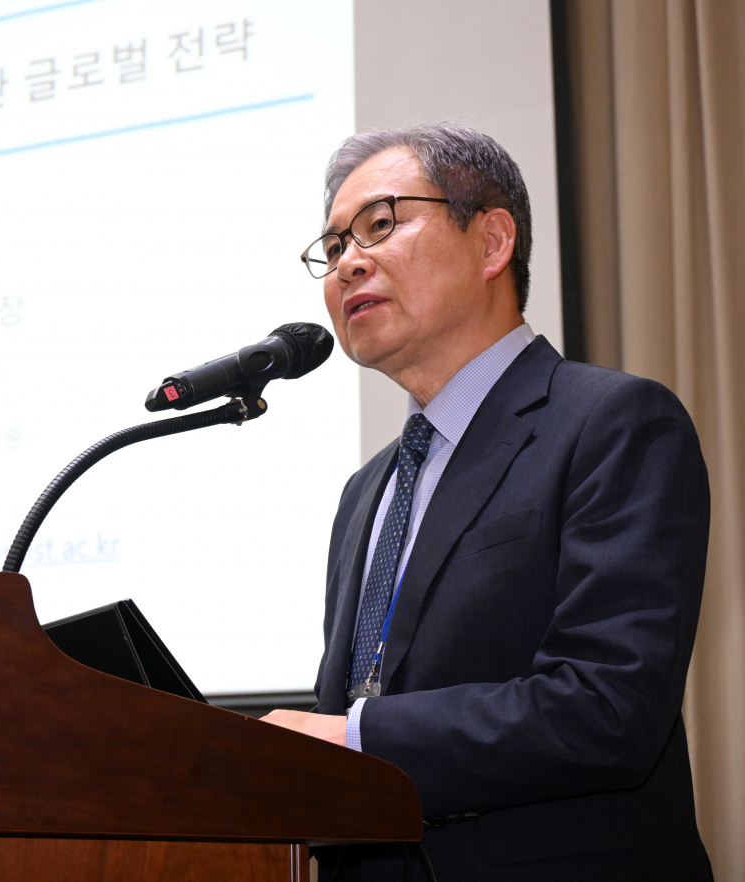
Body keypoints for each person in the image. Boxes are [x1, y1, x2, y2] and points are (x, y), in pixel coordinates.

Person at [261, 123, 713, 881]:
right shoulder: (365, 492)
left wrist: (355, 739)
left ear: (493, 241)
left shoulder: (613, 423)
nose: (347, 265)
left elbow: (607, 708)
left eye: (378, 225)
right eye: (333, 248)